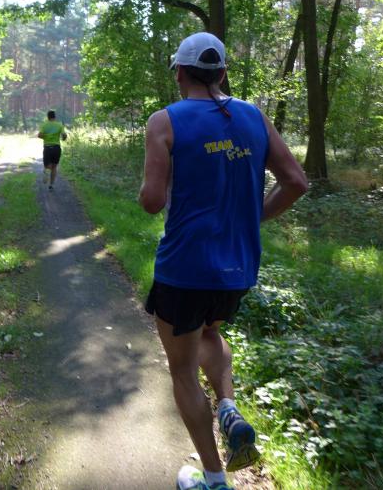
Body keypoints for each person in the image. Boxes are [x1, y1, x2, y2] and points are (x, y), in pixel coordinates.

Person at [139, 32, 308, 490]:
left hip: (183, 269)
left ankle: (214, 479)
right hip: (237, 269)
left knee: (182, 371)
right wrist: (253, 217)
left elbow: (152, 202)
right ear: (223, 73)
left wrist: (153, 183)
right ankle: (229, 407)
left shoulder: (165, 121)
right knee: (210, 332)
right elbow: (295, 182)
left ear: (180, 72)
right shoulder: (254, 116)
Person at [37, 109, 67, 190]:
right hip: (56, 148)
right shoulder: (59, 125)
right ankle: (51, 185)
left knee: (47, 166)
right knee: (54, 167)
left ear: (48, 117)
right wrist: (63, 138)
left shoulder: (44, 125)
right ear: (54, 116)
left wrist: (46, 137)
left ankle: (46, 172)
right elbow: (64, 135)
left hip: (47, 148)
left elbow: (39, 135)